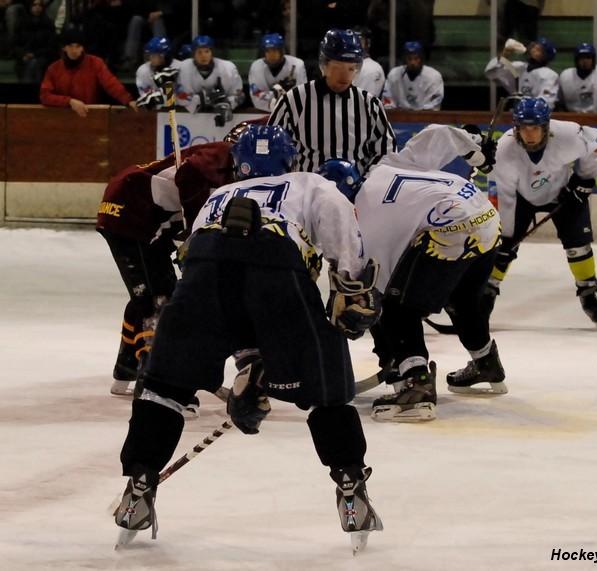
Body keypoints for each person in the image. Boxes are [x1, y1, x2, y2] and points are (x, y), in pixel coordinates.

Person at [112, 124, 384, 552]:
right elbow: (342, 244)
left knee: (164, 387)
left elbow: (217, 281)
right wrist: (351, 288)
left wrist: (250, 358)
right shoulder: (309, 183)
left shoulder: (218, 197)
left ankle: (139, 487)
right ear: (289, 160)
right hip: (275, 262)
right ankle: (351, 490)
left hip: (203, 268)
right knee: (325, 391)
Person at [318, 124, 503, 422]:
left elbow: (371, 291)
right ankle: (486, 363)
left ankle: (416, 387)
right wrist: (476, 151)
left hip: (450, 228)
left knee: (395, 306)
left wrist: (360, 319)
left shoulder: (363, 217)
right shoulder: (386, 165)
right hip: (487, 218)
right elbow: (438, 133)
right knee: (462, 299)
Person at [97, 140, 235, 397]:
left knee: (154, 292)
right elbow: (190, 172)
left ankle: (125, 371)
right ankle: (155, 385)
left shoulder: (232, 160)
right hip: (131, 210)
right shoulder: (221, 156)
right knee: (156, 299)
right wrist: (196, 228)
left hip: (148, 213)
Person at [487, 97, 597, 326]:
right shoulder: (505, 150)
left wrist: (584, 180)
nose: (530, 134)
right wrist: (505, 236)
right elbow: (505, 195)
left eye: (535, 128)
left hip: (563, 193)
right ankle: (487, 293)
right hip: (520, 197)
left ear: (546, 126)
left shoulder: (567, 135)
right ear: (516, 128)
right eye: (524, 128)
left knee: (578, 246)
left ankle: (588, 294)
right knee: (501, 248)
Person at [267, 28, 395, 174]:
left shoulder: (370, 104)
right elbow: (272, 146)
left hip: (357, 192)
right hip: (307, 191)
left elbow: (386, 151)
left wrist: (366, 181)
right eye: (338, 67)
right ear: (324, 65)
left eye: (351, 69)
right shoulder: (293, 100)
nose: (344, 76)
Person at [39, 24, 137, 116]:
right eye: (70, 46)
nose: (74, 51)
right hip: (62, 118)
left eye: (78, 46)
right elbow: (45, 95)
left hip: (90, 115)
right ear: (64, 48)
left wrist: (128, 100)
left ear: (82, 48)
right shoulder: (53, 68)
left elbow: (111, 83)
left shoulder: (95, 63)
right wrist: (69, 101)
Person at [175, 35, 244, 124]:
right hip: (191, 120)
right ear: (193, 54)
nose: (203, 55)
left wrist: (227, 103)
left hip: (223, 119)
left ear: (212, 53)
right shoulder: (183, 68)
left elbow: (240, 96)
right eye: (199, 52)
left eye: (207, 51)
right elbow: (178, 95)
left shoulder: (228, 68)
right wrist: (204, 99)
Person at [484, 36, 558, 110]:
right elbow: (492, 72)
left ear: (546, 56)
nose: (534, 49)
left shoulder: (550, 75)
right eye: (534, 47)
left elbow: (546, 103)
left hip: (535, 116)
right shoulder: (519, 67)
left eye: (539, 49)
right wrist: (504, 55)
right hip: (517, 112)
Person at [248, 32, 307, 112]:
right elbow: (257, 96)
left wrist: (272, 96)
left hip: (292, 113)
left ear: (282, 51)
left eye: (274, 51)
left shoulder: (297, 65)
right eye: (268, 52)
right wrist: (282, 93)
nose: (271, 55)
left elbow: (302, 94)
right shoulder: (256, 66)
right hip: (264, 112)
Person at [382, 40, 444, 110]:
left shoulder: (434, 76)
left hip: (425, 117)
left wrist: (419, 113)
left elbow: (435, 102)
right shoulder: (394, 74)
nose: (412, 62)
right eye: (409, 59)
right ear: (404, 59)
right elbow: (387, 99)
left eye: (416, 59)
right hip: (400, 117)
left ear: (421, 59)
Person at [11, 0, 57, 84]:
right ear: (30, 7)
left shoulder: (48, 23)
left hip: (42, 56)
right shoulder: (21, 23)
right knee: (30, 64)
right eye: (34, 5)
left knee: (35, 64)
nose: (37, 8)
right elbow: (15, 44)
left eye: (39, 5)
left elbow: (51, 46)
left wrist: (35, 54)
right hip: (24, 56)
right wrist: (23, 54)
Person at [135, 36, 180, 109]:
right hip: (155, 112)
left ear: (166, 55)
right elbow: (147, 100)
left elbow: (184, 96)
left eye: (158, 55)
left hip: (180, 111)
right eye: (152, 55)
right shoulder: (143, 71)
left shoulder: (179, 67)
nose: (154, 59)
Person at [352, 26, 385, 98]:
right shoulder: (343, 65)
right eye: (352, 41)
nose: (355, 45)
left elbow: (368, 101)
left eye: (359, 41)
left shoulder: (373, 68)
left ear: (368, 43)